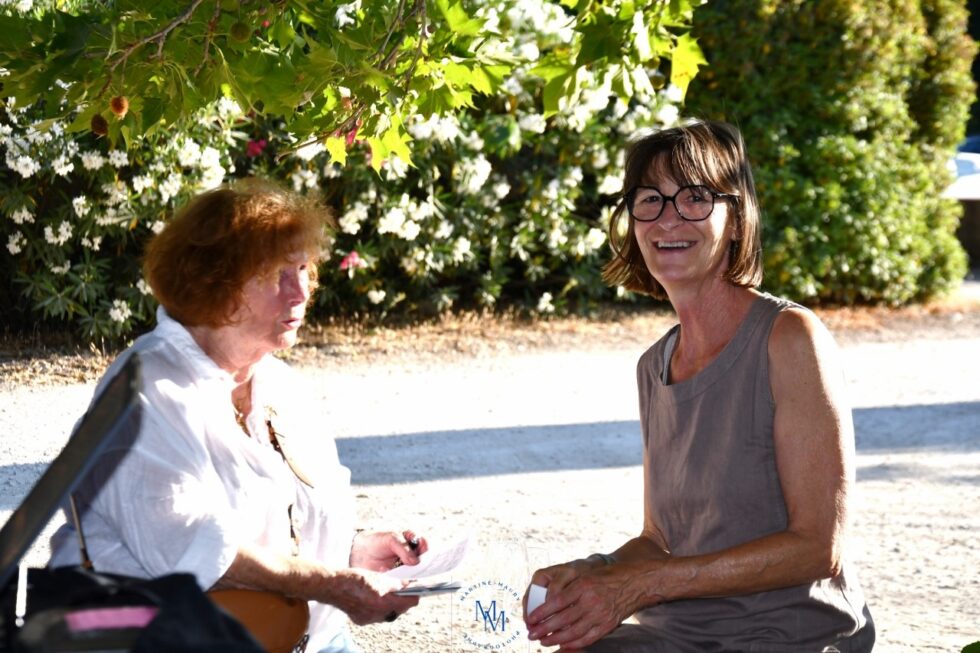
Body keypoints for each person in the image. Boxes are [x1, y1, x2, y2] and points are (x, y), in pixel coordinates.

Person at [523, 121, 875, 652]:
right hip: (679, 637)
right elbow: (661, 541)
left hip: (790, 636)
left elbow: (816, 548)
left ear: (737, 221)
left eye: (694, 198)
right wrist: (593, 573)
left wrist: (639, 586)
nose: (668, 219)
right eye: (650, 200)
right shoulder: (653, 366)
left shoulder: (790, 338)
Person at [49, 179, 423, 653]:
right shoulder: (147, 390)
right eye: (275, 274)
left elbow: (286, 526)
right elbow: (191, 547)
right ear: (213, 282)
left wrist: (357, 552)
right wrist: (332, 583)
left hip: (315, 642)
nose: (299, 291)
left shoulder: (281, 385)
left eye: (305, 268)